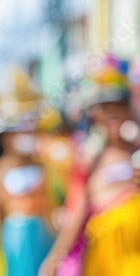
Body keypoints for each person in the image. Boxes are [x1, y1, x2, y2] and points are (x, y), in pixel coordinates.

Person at [39, 55, 140, 276]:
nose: (111, 112)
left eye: (118, 105)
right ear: (94, 113)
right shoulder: (89, 159)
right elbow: (76, 213)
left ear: (130, 108)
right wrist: (53, 260)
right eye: (104, 106)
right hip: (105, 259)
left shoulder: (136, 151)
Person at [0, 69, 56, 276]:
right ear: (6, 136)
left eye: (29, 129)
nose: (27, 135)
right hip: (14, 242)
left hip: (45, 236)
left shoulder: (45, 165)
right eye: (19, 130)